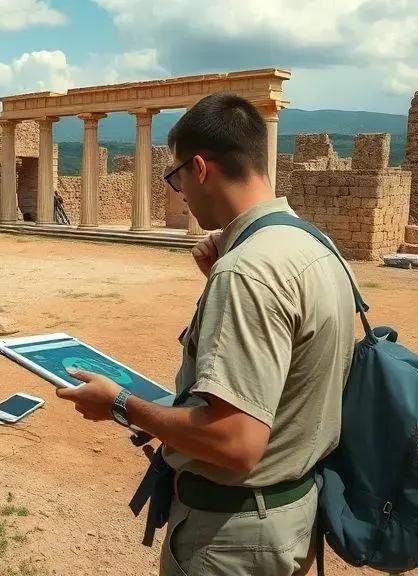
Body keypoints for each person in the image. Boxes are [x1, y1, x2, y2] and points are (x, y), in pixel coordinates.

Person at [56, 93, 356, 575]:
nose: (180, 196)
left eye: (174, 179)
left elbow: (235, 442)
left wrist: (119, 404)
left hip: (233, 537)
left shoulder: (248, 273)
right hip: (295, 513)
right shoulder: (315, 246)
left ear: (199, 168)